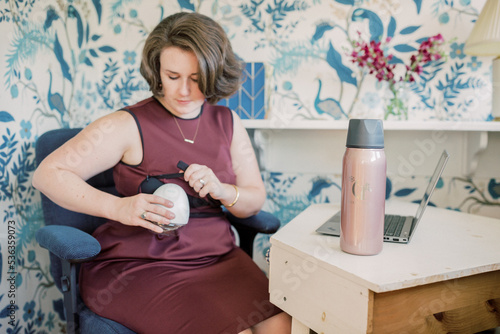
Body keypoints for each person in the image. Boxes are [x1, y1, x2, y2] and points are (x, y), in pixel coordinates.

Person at [33, 12, 291, 334]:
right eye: (172, 76)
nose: (183, 91)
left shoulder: (227, 123)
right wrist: (118, 207)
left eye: (197, 79)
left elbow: (253, 199)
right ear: (157, 71)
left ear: (215, 75)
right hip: (142, 266)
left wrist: (224, 190)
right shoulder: (126, 125)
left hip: (218, 259)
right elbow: (47, 174)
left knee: (284, 323)